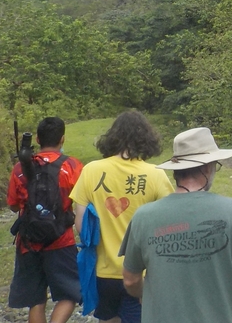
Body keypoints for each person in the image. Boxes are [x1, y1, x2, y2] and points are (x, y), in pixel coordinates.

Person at [120, 127, 232, 323]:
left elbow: (130, 279)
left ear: (176, 170)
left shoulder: (143, 216)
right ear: (206, 168)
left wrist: (148, 296)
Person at [70, 111, 173, 323]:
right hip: (143, 273)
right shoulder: (155, 174)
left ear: (112, 137)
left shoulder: (91, 171)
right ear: (146, 138)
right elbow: (170, 224)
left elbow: (80, 225)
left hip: (103, 271)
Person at [7, 117, 83, 323]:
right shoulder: (73, 166)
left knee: (36, 300)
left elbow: (13, 205)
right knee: (70, 293)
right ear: (62, 138)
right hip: (61, 240)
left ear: (38, 139)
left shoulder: (20, 167)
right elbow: (83, 200)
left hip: (28, 242)